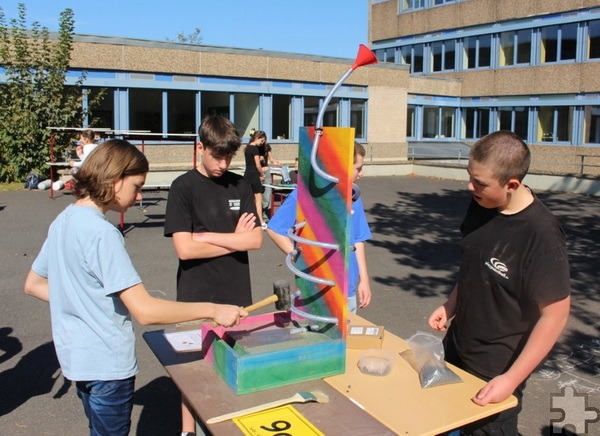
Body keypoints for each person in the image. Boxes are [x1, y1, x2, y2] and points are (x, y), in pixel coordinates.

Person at [24, 139, 247, 436]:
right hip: (107, 366)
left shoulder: (63, 220)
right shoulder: (102, 233)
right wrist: (214, 310)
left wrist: (82, 300)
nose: (139, 195)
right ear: (115, 180)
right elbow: (145, 310)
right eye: (137, 185)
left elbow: (34, 284)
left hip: (77, 360)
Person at [427, 131, 571, 435]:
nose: (470, 187)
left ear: (512, 185)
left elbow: (555, 316)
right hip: (456, 349)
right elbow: (473, 264)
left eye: (480, 183)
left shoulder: (542, 236)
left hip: (496, 367)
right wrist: (450, 304)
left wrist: (511, 379)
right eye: (470, 177)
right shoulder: (481, 203)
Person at [164, 115, 263, 436]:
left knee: (232, 365)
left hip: (235, 292)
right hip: (195, 293)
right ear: (200, 147)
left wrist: (206, 237)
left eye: (228, 157)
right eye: (216, 155)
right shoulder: (182, 187)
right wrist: (233, 239)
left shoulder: (241, 184)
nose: (222, 164)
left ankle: (226, 426)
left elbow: (255, 240)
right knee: (193, 370)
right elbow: (185, 250)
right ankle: (187, 430)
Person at [266, 142, 372, 313]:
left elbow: (358, 240)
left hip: (347, 286)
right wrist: (299, 258)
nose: (361, 173)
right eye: (358, 168)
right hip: (317, 288)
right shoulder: (307, 195)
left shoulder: (353, 196)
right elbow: (274, 229)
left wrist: (364, 279)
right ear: (343, 167)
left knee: (346, 336)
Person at [243, 129, 268, 227]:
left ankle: (248, 220)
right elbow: (258, 165)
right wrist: (261, 174)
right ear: (257, 138)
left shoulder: (247, 148)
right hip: (254, 174)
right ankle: (260, 221)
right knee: (258, 199)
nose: (262, 143)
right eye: (262, 141)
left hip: (247, 174)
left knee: (249, 199)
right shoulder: (255, 149)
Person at [258, 140, 281, 221]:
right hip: (257, 172)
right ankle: (259, 215)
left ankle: (263, 214)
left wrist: (274, 161)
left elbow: (271, 158)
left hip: (266, 172)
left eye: (264, 140)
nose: (262, 141)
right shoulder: (254, 147)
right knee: (257, 194)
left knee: (267, 194)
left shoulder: (267, 147)